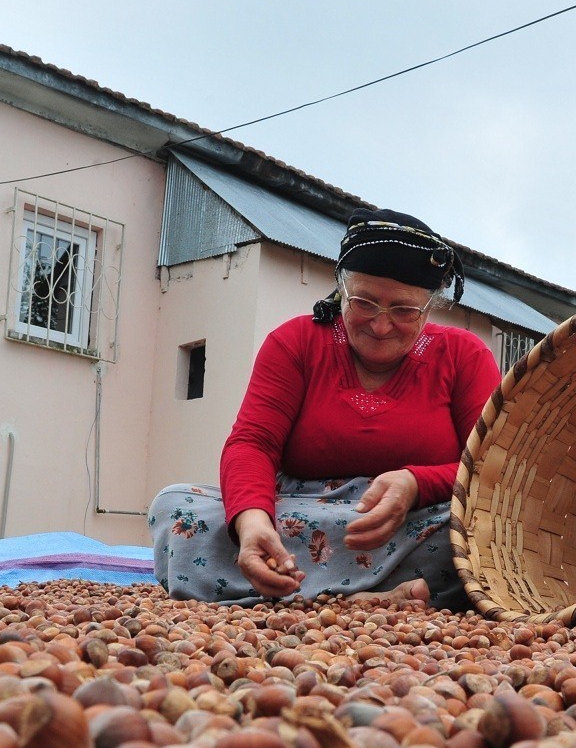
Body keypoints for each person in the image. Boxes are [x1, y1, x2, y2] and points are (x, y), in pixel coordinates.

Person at [148, 209, 504, 609]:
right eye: (365, 303)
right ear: (341, 292)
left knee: (477, 536)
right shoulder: (295, 342)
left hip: (412, 520)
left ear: (430, 308)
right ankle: (372, 597)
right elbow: (253, 443)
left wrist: (416, 485)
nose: (381, 326)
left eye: (404, 311)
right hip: (297, 512)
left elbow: (490, 467)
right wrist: (252, 524)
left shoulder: (463, 355)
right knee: (177, 506)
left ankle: (288, 596)